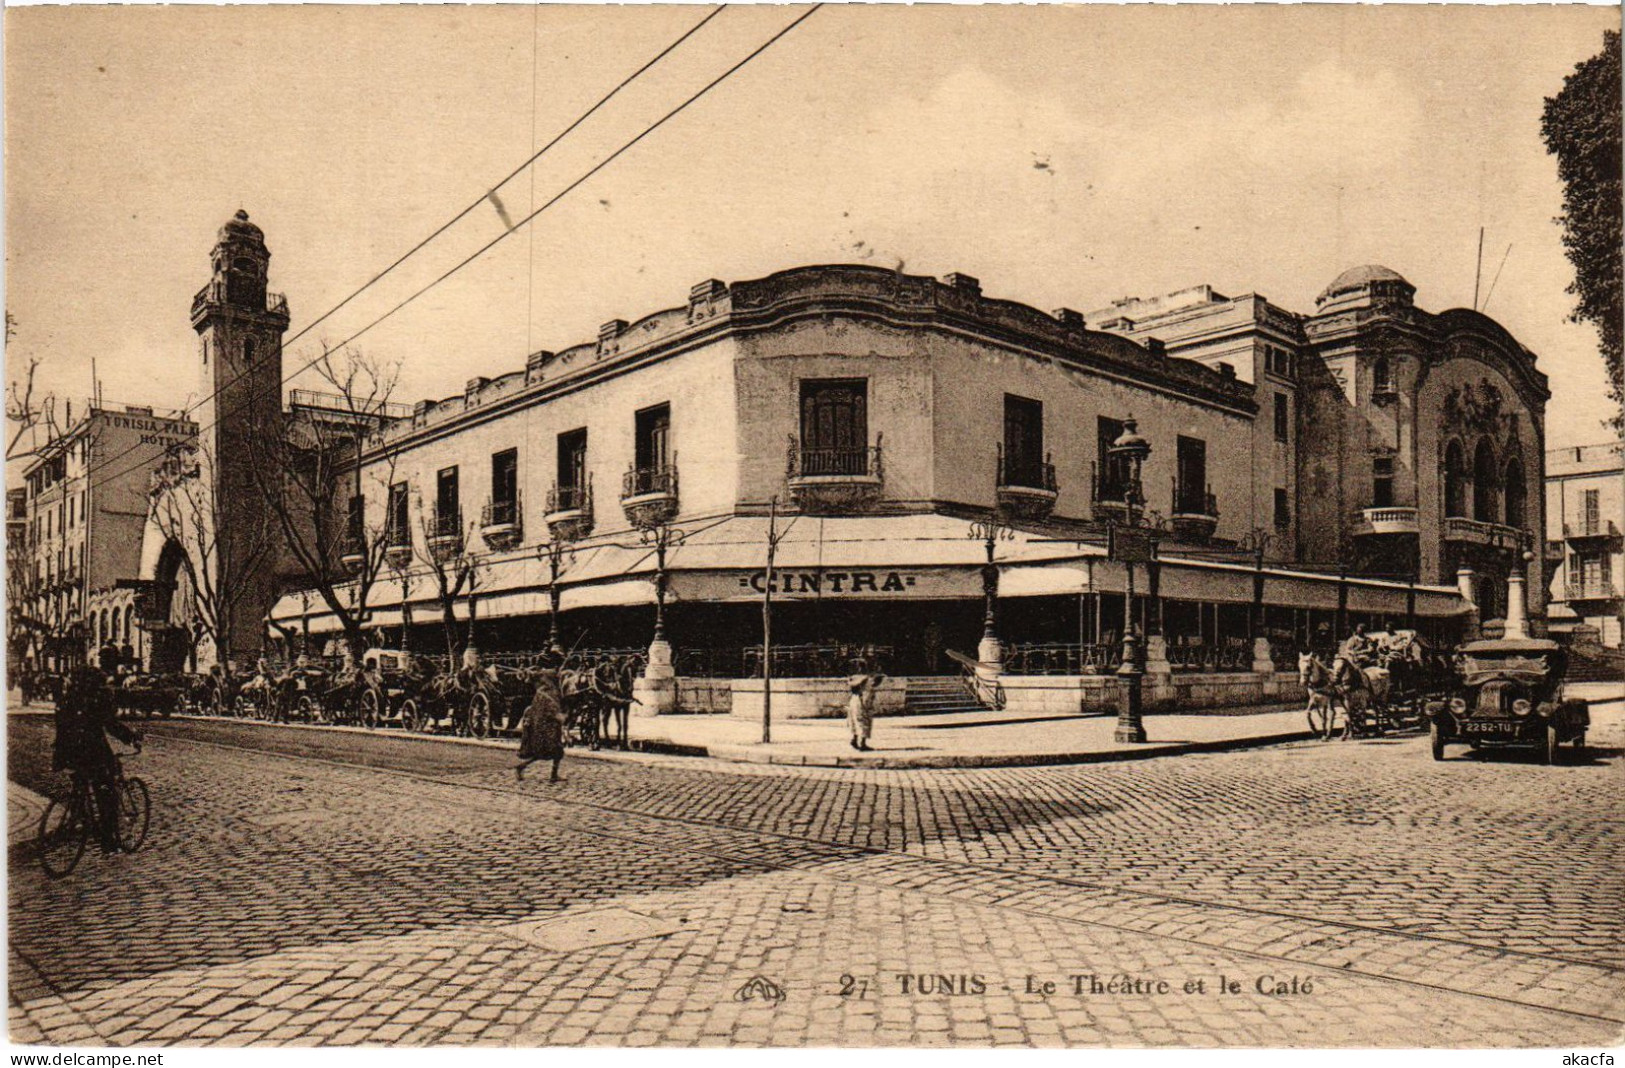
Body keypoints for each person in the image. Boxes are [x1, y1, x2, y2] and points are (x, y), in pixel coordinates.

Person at [53, 665, 141, 853]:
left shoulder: (68, 697)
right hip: (92, 751)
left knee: (82, 781)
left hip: (67, 752)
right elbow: (110, 724)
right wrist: (131, 737)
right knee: (106, 790)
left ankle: (81, 815)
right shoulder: (98, 697)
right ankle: (108, 840)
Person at [516, 668, 568, 783]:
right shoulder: (545, 694)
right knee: (548, 752)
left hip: (550, 726)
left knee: (555, 752)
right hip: (545, 728)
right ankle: (522, 766)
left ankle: (552, 775)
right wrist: (560, 717)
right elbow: (550, 711)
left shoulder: (543, 692)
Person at [846, 669, 885, 751]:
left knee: (855, 722)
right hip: (861, 704)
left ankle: (854, 740)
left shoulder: (862, 682)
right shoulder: (868, 687)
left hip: (853, 702)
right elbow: (866, 700)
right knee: (864, 723)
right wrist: (868, 709)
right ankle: (862, 744)